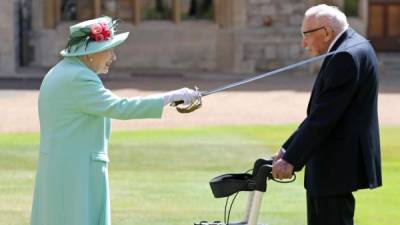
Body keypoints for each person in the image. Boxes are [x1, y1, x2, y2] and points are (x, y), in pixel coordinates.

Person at [30, 16, 200, 225]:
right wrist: (170, 97)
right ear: (90, 53)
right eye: (108, 49)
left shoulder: (60, 72)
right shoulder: (79, 78)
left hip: (64, 168)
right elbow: (120, 107)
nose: (113, 56)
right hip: (77, 173)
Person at [271, 4, 382, 225]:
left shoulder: (345, 56)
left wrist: (291, 159)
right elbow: (321, 112)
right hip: (334, 164)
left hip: (335, 166)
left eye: (306, 35)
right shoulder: (355, 45)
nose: (303, 43)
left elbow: (323, 118)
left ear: (326, 32)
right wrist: (286, 149)